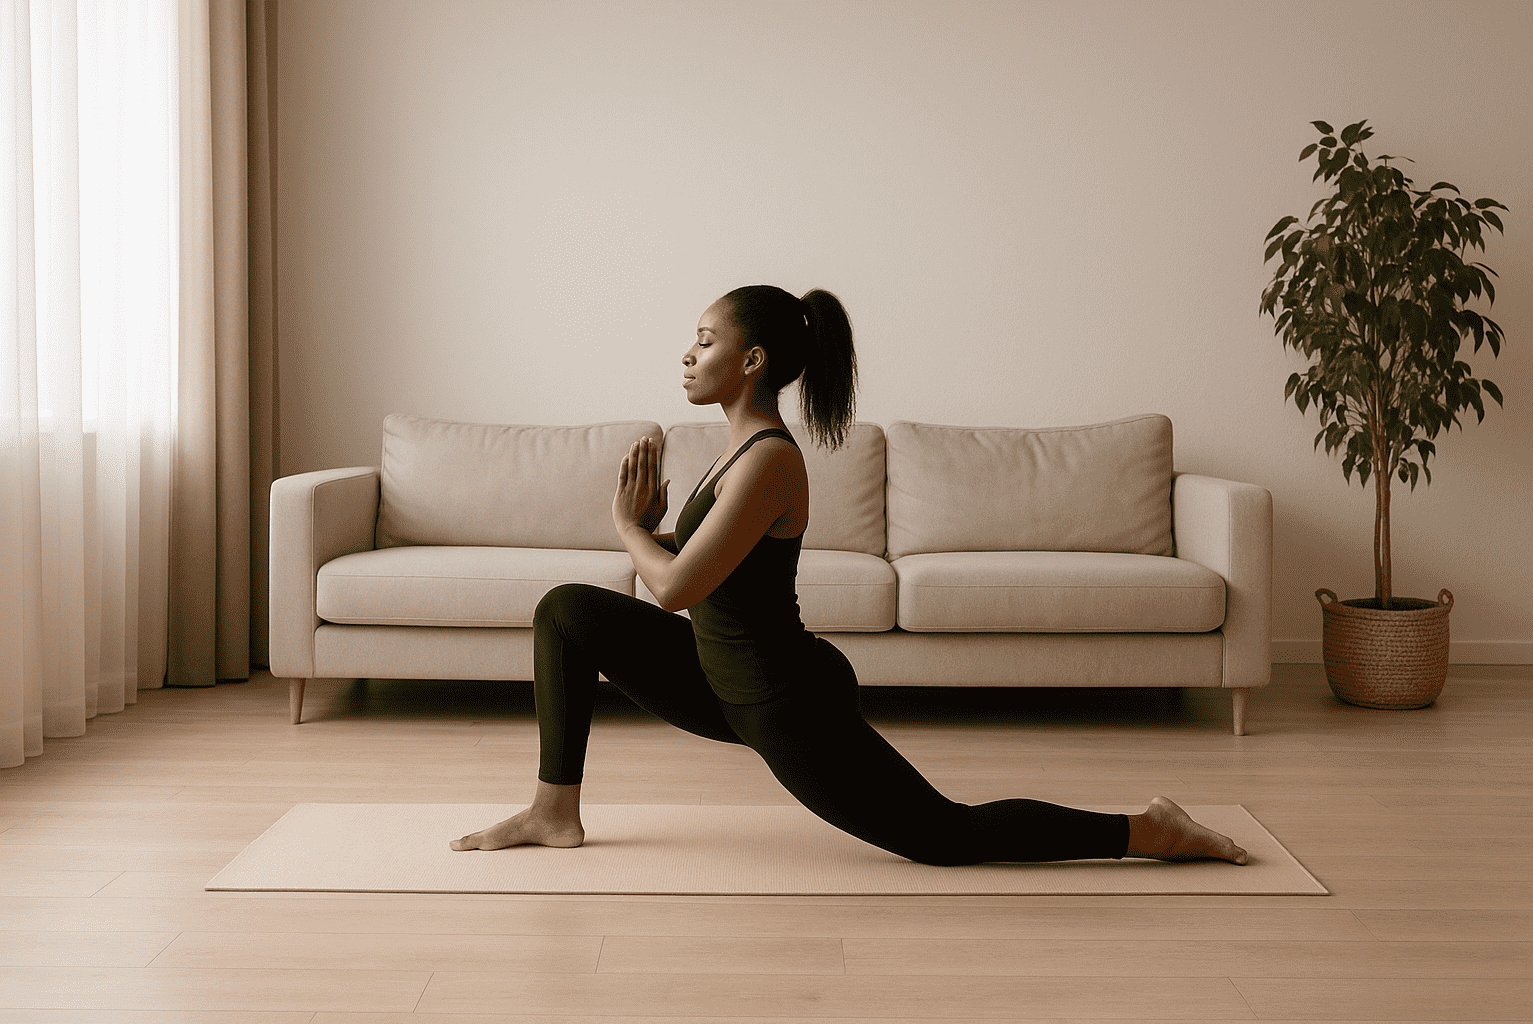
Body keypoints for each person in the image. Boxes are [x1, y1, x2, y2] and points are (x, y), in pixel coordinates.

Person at [451, 285, 1248, 867]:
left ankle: (1146, 830)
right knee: (565, 611)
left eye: (703, 339)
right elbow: (716, 572)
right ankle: (555, 811)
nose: (687, 354)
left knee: (944, 836)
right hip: (716, 675)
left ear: (751, 360)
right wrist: (656, 527)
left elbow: (675, 589)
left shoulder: (767, 460)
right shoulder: (734, 452)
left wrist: (628, 529)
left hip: (778, 699)